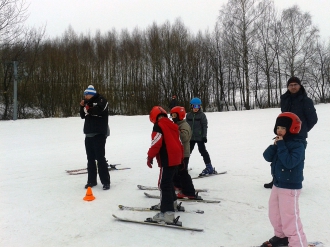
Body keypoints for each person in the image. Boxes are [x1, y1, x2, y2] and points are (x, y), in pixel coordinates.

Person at [261, 112, 307, 247]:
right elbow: (267, 157)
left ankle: (297, 243)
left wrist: (281, 146)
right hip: (278, 183)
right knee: (274, 213)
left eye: (283, 128)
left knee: (290, 218)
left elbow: (289, 163)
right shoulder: (281, 141)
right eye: (278, 127)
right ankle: (281, 236)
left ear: (292, 128)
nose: (279, 131)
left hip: (290, 186)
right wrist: (275, 145)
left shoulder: (298, 145)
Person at [264, 76, 318, 188]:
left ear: (300, 86)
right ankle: (276, 180)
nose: (293, 87)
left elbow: (313, 119)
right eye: (290, 85)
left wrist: (301, 130)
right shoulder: (285, 99)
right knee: (279, 155)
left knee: (295, 160)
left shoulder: (306, 101)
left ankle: (294, 182)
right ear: (288, 87)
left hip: (298, 136)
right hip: (285, 133)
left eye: (295, 85)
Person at [147, 106, 184, 224]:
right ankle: (172, 203)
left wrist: (150, 156)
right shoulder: (170, 123)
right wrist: (181, 159)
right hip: (176, 157)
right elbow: (179, 142)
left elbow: (156, 143)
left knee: (164, 185)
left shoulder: (159, 125)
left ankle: (167, 213)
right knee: (169, 182)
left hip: (168, 158)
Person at [80, 85, 110, 190]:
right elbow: (82, 115)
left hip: (99, 133)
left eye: (86, 94)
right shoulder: (87, 102)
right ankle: (91, 181)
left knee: (100, 158)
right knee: (90, 158)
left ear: (91, 94)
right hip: (88, 133)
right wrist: (82, 107)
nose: (85, 96)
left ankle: (106, 182)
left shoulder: (102, 100)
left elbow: (98, 111)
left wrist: (88, 109)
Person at [170, 106, 196, 198]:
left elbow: (184, 137)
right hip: (179, 153)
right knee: (176, 171)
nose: (172, 117)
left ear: (180, 115)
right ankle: (178, 185)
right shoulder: (178, 124)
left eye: (174, 115)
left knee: (183, 172)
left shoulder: (184, 125)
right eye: (171, 115)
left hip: (184, 154)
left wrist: (175, 129)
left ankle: (189, 192)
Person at [186, 97, 215, 176]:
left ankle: (209, 167)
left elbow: (205, 126)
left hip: (200, 137)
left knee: (203, 151)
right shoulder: (188, 115)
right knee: (187, 152)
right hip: (191, 137)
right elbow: (185, 126)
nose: (196, 108)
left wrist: (204, 136)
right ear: (191, 106)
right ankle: (183, 167)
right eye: (194, 106)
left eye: (198, 106)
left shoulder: (202, 115)